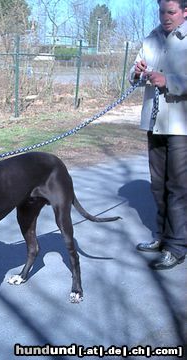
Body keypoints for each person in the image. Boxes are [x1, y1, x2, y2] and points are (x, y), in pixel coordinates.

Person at [131, 0, 187, 270]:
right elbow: (133, 74)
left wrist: (170, 81)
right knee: (157, 185)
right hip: (154, 123)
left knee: (177, 187)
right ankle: (163, 238)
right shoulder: (150, 39)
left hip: (181, 126)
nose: (165, 17)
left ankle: (177, 246)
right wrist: (138, 72)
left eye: (171, 12)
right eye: (162, 11)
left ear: (185, 12)